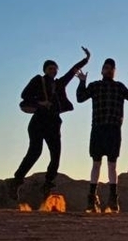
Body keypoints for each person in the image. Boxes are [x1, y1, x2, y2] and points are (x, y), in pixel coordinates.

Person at [8, 46, 91, 201]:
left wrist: (86, 59)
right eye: (50, 68)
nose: (53, 70)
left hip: (53, 123)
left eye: (55, 68)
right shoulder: (38, 80)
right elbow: (24, 95)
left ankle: (47, 184)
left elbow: (72, 71)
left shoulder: (60, 84)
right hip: (38, 121)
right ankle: (16, 181)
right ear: (45, 70)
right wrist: (40, 103)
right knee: (35, 152)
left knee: (56, 155)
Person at [76, 58, 128, 212]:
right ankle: (91, 198)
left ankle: (113, 199)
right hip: (98, 128)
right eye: (106, 68)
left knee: (112, 164)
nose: (109, 70)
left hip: (113, 129)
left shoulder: (119, 87)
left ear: (114, 71)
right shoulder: (95, 86)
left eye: (111, 68)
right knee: (96, 163)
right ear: (102, 70)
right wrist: (82, 82)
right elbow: (80, 98)